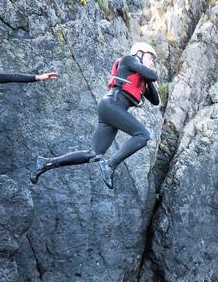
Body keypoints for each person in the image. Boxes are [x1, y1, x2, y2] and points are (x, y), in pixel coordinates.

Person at [30, 42, 160, 189]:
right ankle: (110, 165)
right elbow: (153, 75)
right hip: (112, 105)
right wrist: (149, 73)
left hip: (111, 108)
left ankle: (45, 164)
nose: (152, 61)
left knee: (94, 154)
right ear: (139, 53)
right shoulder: (129, 60)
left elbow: (155, 101)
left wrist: (148, 78)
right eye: (151, 57)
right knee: (143, 135)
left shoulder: (142, 77)